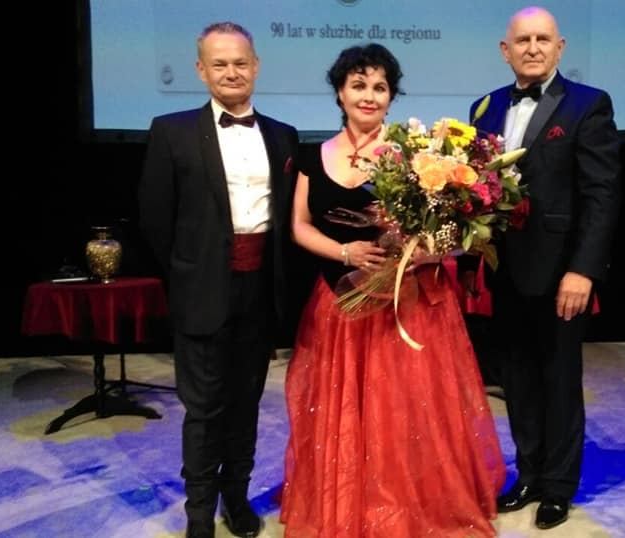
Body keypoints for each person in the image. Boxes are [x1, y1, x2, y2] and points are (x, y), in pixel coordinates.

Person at [279, 43, 506, 537]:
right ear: (340, 93)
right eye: (358, 85)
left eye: (379, 87)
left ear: (391, 96)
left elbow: (447, 233)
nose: (369, 96)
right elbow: (298, 226)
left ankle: (408, 500)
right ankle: (352, 499)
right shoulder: (312, 156)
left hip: (407, 304)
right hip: (340, 302)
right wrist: (345, 253)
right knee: (346, 409)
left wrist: (424, 254)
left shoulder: (416, 157)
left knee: (406, 410)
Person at [138, 22, 299, 538]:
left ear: (256, 66)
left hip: (260, 292)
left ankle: (237, 497)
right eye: (219, 63)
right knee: (204, 409)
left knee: (246, 404)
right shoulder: (171, 130)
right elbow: (156, 219)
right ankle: (199, 512)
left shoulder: (283, 135)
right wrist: (193, 271)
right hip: (202, 289)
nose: (231, 72)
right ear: (201, 70)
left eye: (240, 62)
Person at [469, 6, 621, 531]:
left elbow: (601, 196)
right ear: (505, 50)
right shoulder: (485, 107)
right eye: (522, 40)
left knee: (559, 380)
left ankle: (558, 486)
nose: (532, 48)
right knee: (517, 381)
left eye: (542, 39)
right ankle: (529, 474)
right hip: (502, 269)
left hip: (560, 273)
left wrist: (583, 271)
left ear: (560, 47)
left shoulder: (588, 104)